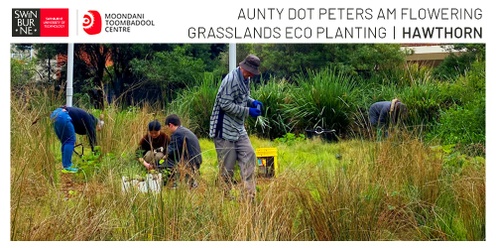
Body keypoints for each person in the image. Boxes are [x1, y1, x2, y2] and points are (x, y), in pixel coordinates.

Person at [208, 54, 263, 200]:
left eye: (253, 72)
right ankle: (224, 198)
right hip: (223, 129)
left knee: (249, 154)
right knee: (228, 166)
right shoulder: (230, 80)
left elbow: (243, 97)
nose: (251, 74)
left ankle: (249, 196)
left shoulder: (247, 78)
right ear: (244, 67)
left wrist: (252, 102)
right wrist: (248, 111)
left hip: (238, 127)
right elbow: (225, 104)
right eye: (249, 71)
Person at [50, 105, 104, 173]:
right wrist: (96, 154)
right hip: (63, 115)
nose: (96, 130)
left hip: (55, 114)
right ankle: (67, 166)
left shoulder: (86, 117)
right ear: (97, 124)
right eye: (98, 129)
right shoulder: (91, 122)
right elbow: (93, 140)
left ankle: (65, 166)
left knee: (65, 141)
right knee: (70, 140)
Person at [163, 114, 202, 188]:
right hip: (196, 161)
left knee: (164, 164)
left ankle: (171, 183)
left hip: (189, 163)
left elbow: (171, 151)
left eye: (167, 127)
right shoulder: (184, 131)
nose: (167, 130)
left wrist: (161, 158)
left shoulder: (177, 134)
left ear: (170, 125)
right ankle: (189, 181)